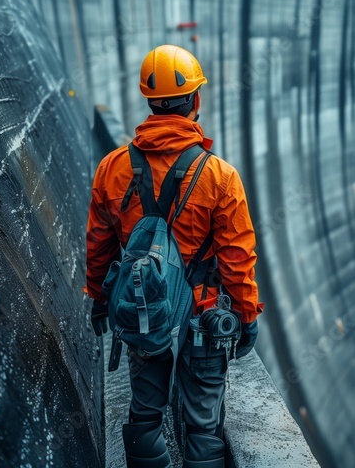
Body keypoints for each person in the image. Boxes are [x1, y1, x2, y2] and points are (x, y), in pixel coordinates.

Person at [86, 45, 264, 468]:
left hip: (144, 312)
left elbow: (99, 245)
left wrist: (98, 299)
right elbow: (238, 258)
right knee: (204, 427)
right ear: (195, 101)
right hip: (202, 316)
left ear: (149, 101)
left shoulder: (112, 168)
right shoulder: (220, 177)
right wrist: (247, 316)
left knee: (145, 417)